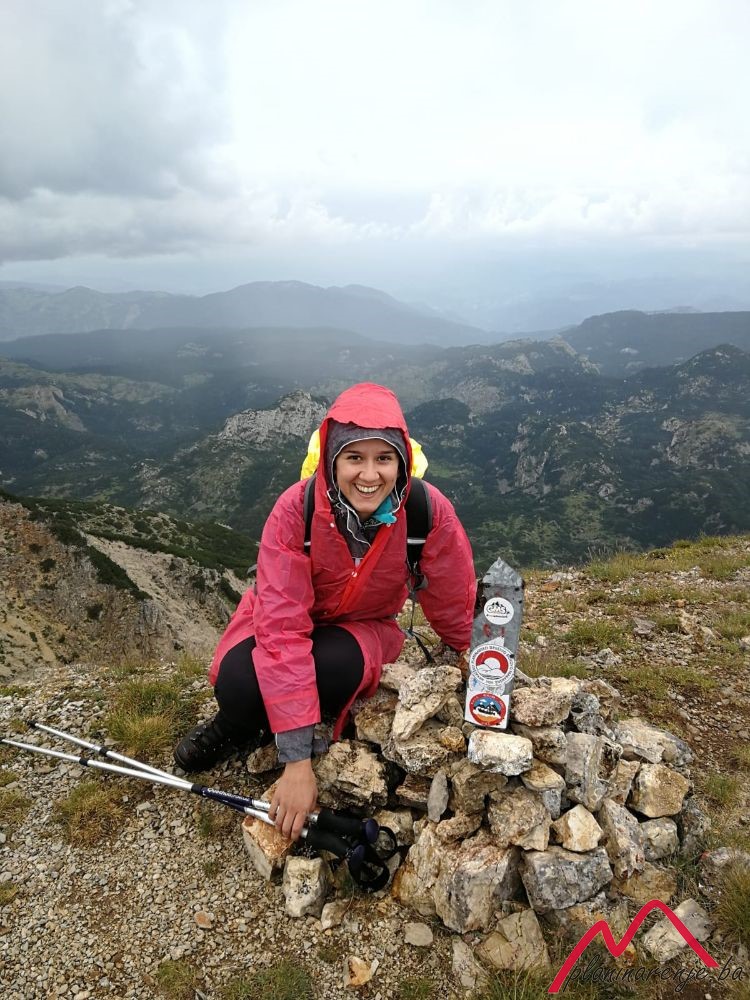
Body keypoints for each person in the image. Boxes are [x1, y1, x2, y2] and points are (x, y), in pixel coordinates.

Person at [174, 382, 476, 840]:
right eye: (354, 457)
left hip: (360, 629)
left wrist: (477, 657)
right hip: (280, 623)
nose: (370, 474)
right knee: (238, 684)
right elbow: (281, 629)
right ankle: (234, 726)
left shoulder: (425, 511)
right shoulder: (295, 511)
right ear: (332, 460)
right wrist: (297, 763)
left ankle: (292, 721)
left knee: (333, 667)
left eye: (384, 458)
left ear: (402, 462)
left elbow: (453, 595)